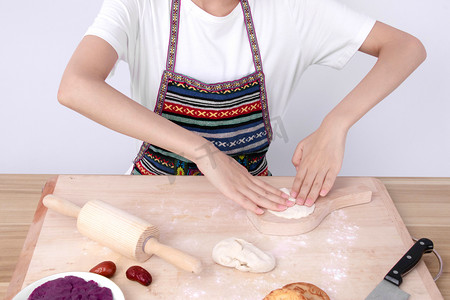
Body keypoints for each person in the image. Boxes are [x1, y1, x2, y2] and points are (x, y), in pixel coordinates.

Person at [57, 0, 426, 215]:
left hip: (253, 199)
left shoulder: (293, 10)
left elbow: (406, 47)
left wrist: (336, 125)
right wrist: (205, 153)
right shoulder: (139, 6)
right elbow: (76, 86)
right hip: (152, 193)